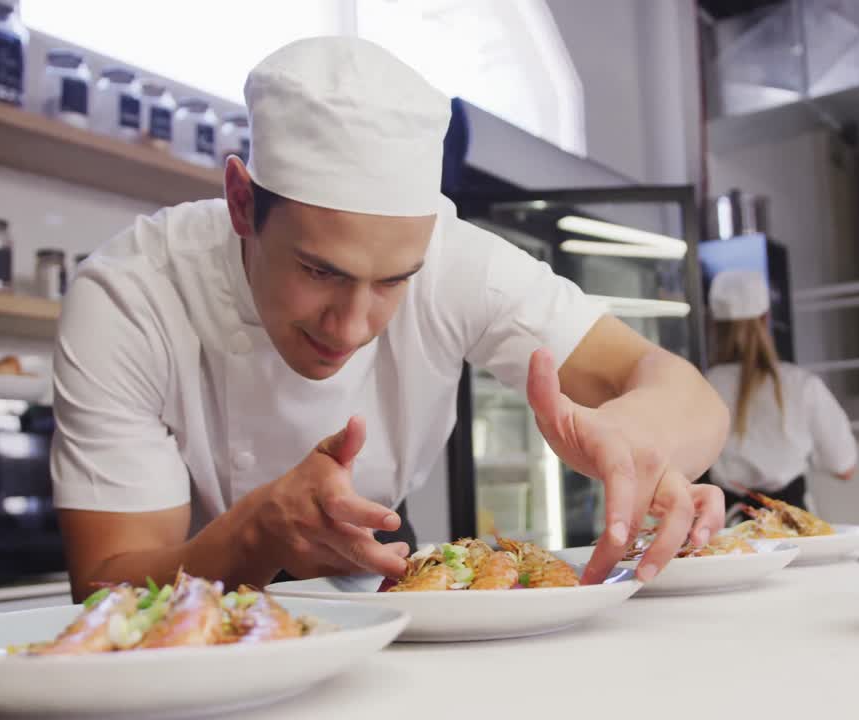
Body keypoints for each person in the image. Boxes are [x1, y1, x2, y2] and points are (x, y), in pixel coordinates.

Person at [50, 37, 730, 601]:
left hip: (375, 589)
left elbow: (685, 393)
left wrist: (634, 439)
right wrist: (255, 533)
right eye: (320, 271)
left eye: (394, 282)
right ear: (239, 203)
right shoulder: (131, 295)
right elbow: (105, 591)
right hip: (185, 621)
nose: (350, 326)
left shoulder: (456, 259)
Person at [704, 270, 856, 518]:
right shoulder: (802, 385)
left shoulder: (701, 386)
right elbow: (844, 467)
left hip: (727, 527)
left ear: (713, 325)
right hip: (792, 527)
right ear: (766, 318)